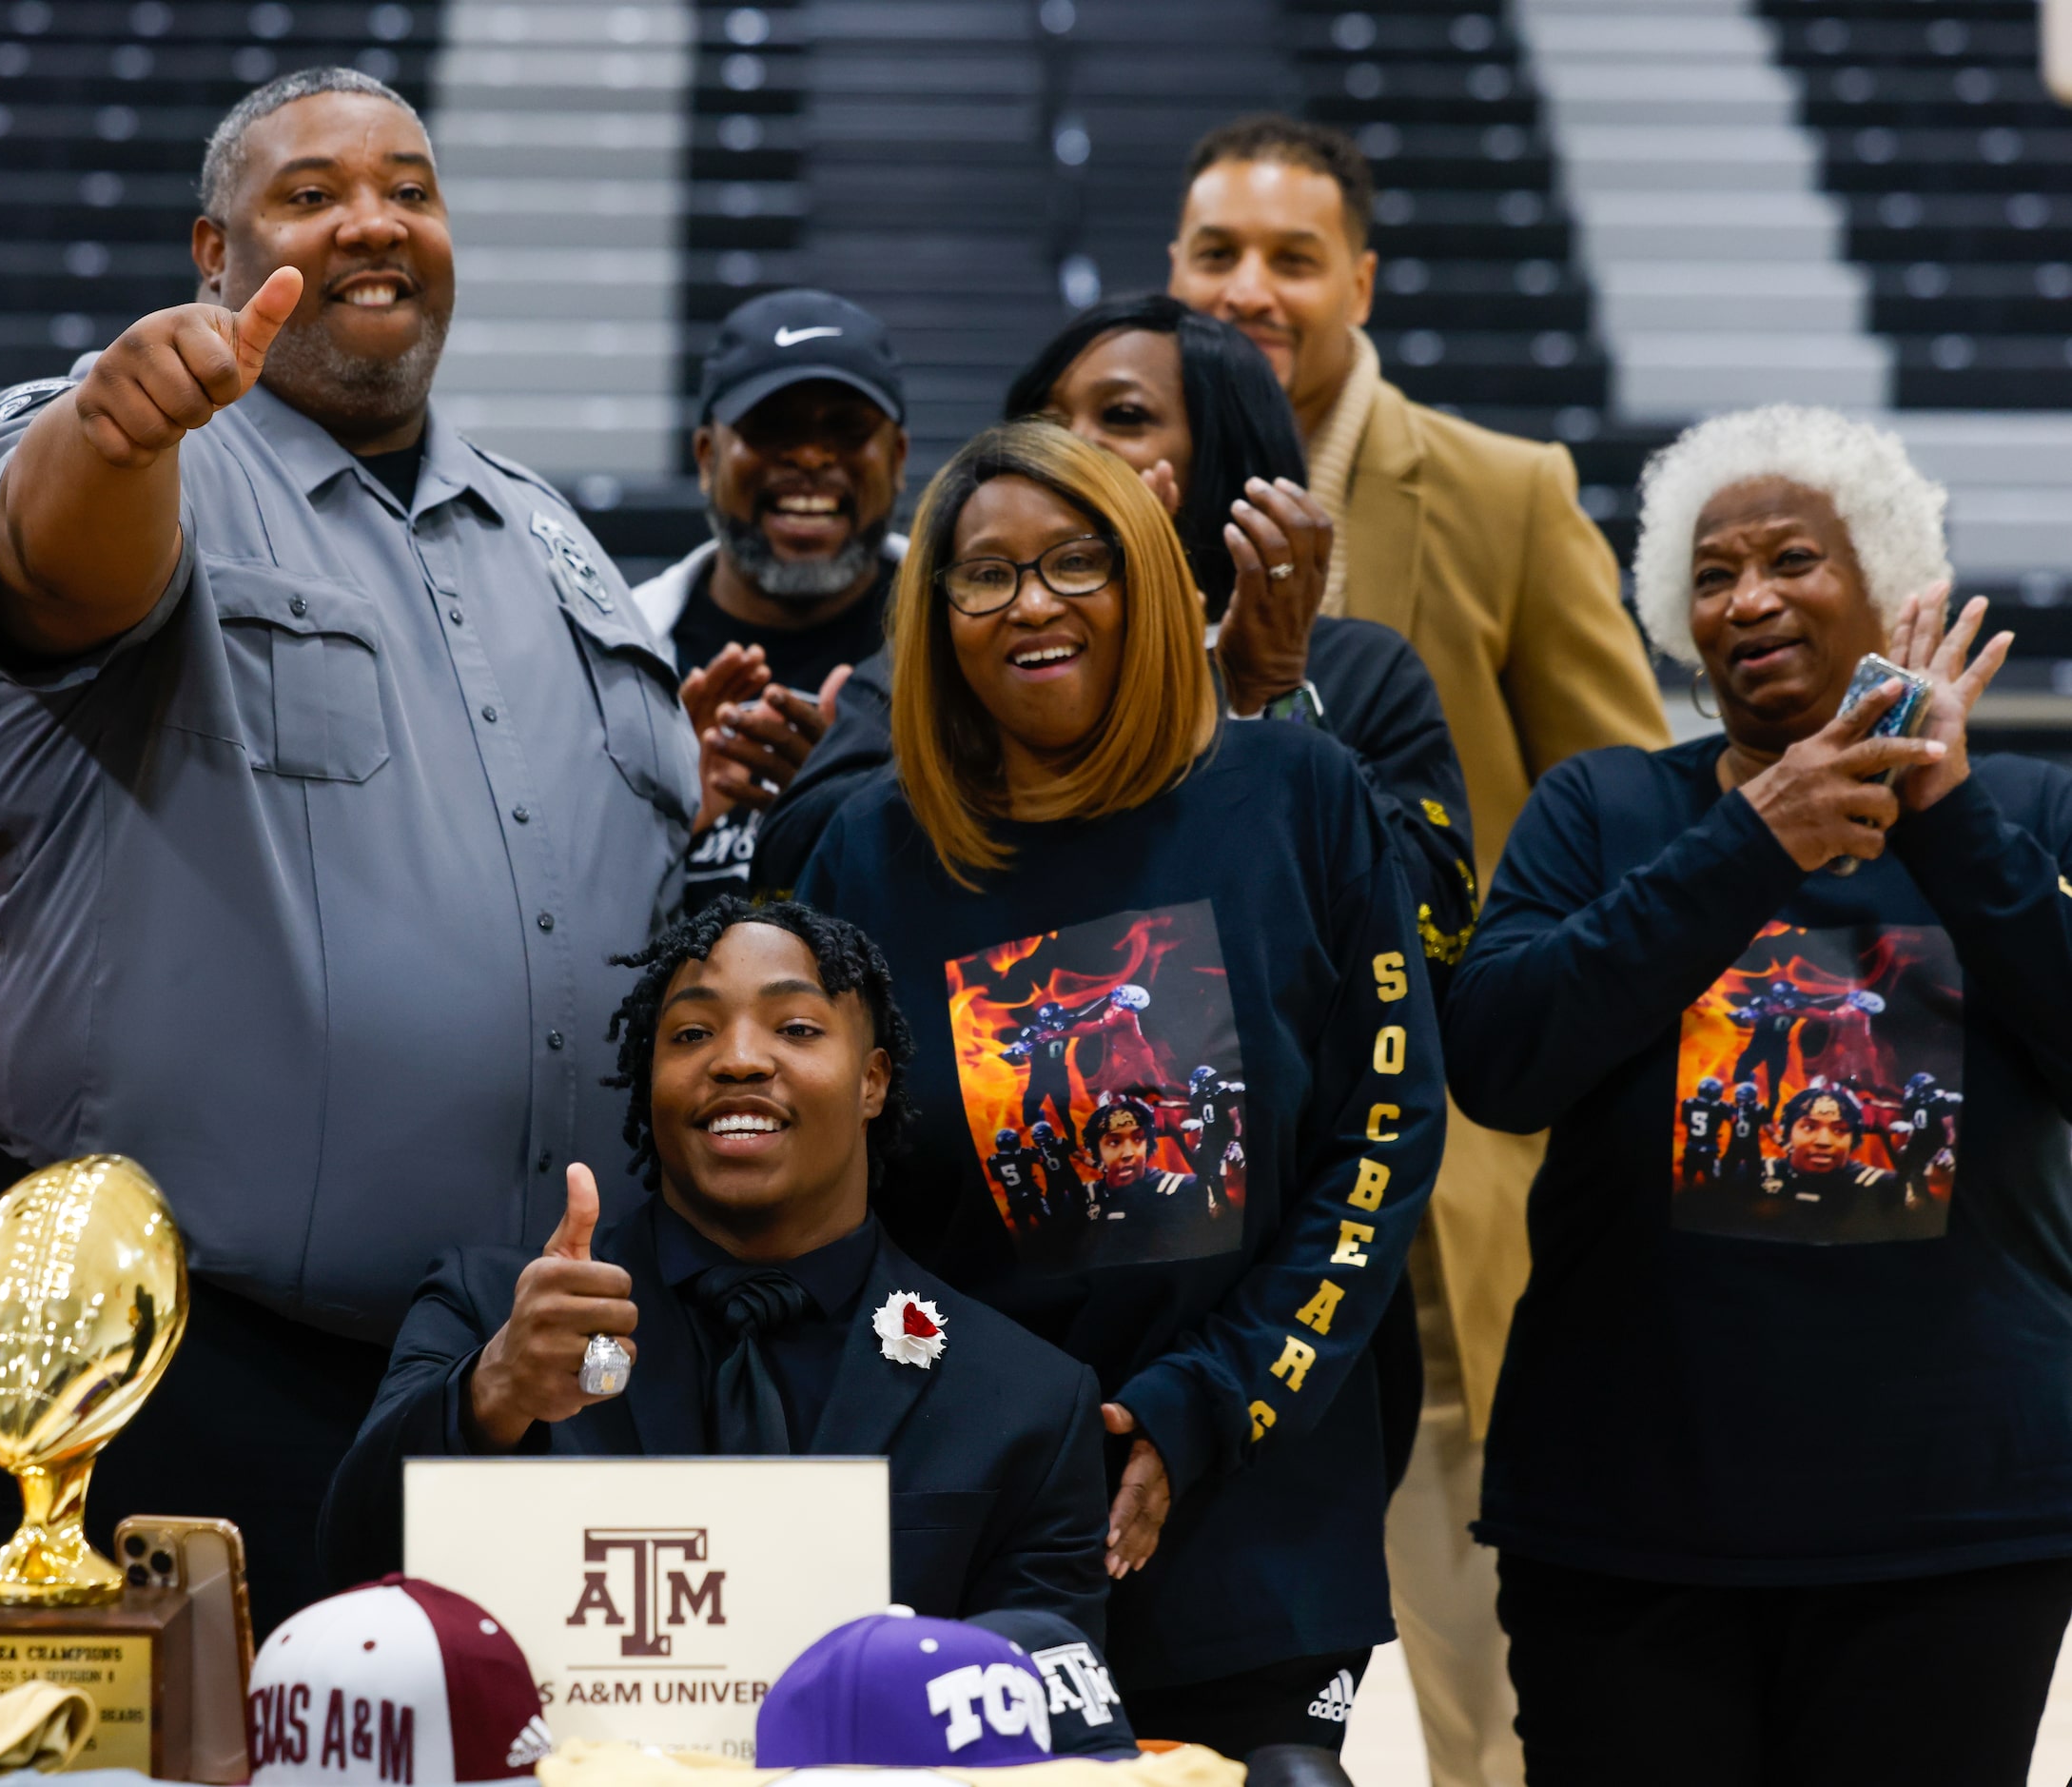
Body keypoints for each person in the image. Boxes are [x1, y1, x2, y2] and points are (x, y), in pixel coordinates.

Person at [0, 69, 697, 1628]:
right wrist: (121, 427)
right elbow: (59, 574)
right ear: (214, 251)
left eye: (410, 188)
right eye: (313, 192)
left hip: (515, 1373)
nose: (374, 223)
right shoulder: (128, 448)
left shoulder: (551, 542)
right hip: (198, 1363)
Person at [796, 422, 1445, 1755]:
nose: (1032, 601)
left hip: (1259, 1514)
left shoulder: (1297, 792)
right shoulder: (866, 852)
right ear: (937, 615)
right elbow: (831, 1208)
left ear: (1147, 578)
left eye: (1075, 560)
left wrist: (1197, 1403)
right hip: (972, 1517)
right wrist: (992, 1421)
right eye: (984, 575)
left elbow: (1380, 1134)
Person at [1445, 404, 2072, 1782]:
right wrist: (1748, 840)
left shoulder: (2021, 814)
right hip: (1625, 1527)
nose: (1748, 597)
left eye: (1791, 558)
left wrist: (1946, 814)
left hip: (1950, 1529)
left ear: (1886, 582)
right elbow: (1496, 1059)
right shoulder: (1600, 812)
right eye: (1713, 573)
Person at [1166, 113, 1672, 1785]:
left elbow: (1628, 818)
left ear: (1360, 279)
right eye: (1216, 254)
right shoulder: (1091, 502)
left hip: (1449, 1190)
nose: (1251, 288)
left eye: (1290, 256)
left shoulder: (1503, 493)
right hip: (1183, 1204)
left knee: (1493, 1705)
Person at [323, 900, 1108, 1638]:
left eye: (796, 1027)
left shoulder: (1025, 1400)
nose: (737, 1060)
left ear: (872, 1082)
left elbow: (1045, 1729)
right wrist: (491, 1393)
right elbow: (347, 1586)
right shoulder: (488, 1313)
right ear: (649, 1082)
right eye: (692, 1034)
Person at [756, 296, 1475, 985]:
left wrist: (1272, 695)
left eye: (1123, 417)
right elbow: (798, 874)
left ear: (1225, 451)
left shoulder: (1361, 670)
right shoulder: (979, 643)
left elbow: (1429, 948)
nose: (1074, 446)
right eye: (1048, 421)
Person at [633, 291, 910, 908]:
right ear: (707, 457)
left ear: (896, 458)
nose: (811, 456)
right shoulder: (611, 649)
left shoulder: (976, 637)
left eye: (846, 427)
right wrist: (655, 832)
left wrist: (862, 811)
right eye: (772, 426)